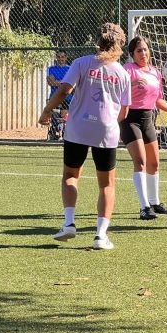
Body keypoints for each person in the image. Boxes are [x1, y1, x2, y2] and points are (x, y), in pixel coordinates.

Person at [39, 23, 131, 250]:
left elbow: (63, 90)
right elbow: (124, 111)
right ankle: (100, 236)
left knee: (70, 175)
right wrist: (108, 121)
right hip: (106, 131)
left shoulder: (81, 63)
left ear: (97, 42)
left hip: (78, 127)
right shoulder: (122, 73)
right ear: (120, 45)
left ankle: (69, 223)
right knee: (106, 185)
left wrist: (47, 110)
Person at [121, 36, 167, 220]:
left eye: (145, 49)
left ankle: (155, 202)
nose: (143, 53)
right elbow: (118, 93)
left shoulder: (156, 73)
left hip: (148, 119)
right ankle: (144, 208)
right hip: (129, 119)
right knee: (140, 161)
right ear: (132, 54)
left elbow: (158, 99)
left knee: (154, 164)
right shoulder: (128, 70)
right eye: (138, 50)